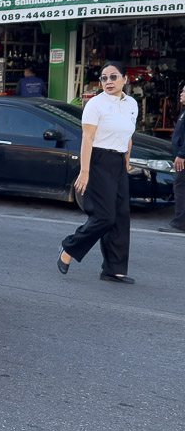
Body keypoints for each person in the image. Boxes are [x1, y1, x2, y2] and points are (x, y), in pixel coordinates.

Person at [57, 62, 137, 283]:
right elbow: (87, 138)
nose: (108, 81)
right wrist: (85, 171)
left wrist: (126, 162)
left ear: (125, 79)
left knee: (121, 216)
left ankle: (114, 270)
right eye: (104, 78)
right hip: (98, 160)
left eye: (113, 77)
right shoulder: (96, 104)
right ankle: (69, 247)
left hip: (118, 162)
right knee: (105, 216)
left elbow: (128, 136)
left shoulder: (131, 104)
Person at [159, 83, 185, 234]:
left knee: (180, 188)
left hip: (183, 158)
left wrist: (181, 155)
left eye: (184, 92)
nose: (181, 94)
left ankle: (180, 224)